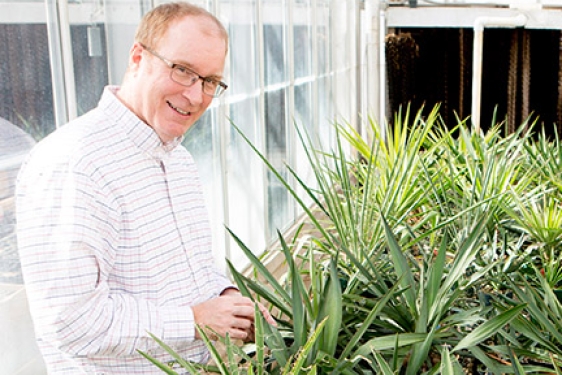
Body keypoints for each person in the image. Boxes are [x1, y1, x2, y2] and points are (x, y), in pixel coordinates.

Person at [15, 2, 275, 374]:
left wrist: (227, 300)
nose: (196, 95)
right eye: (183, 71)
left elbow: (192, 269)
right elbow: (69, 322)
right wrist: (197, 320)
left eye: (210, 81)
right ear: (138, 57)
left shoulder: (176, 159)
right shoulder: (75, 164)